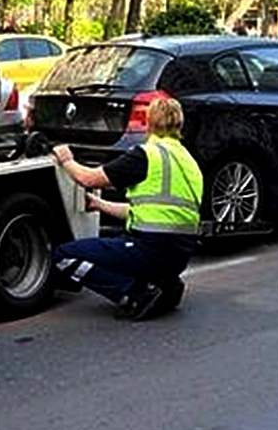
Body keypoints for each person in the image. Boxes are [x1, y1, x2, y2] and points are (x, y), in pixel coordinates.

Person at [51, 97, 203, 321]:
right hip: (179, 255)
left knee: (64, 255)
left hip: (150, 249)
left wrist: (66, 160)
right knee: (119, 239)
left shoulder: (146, 156)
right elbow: (146, 212)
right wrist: (99, 204)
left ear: (148, 124)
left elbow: (89, 178)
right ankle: (164, 283)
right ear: (180, 125)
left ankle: (133, 292)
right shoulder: (189, 162)